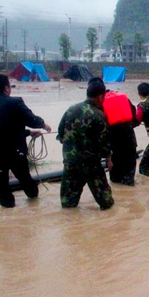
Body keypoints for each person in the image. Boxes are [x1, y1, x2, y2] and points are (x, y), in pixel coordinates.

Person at [0, 74, 51, 208]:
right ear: (6, 88)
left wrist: (28, 133)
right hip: (14, 152)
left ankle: (7, 216)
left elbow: (3, 129)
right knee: (27, 182)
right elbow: (31, 119)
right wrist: (44, 125)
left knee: (2, 190)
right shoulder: (15, 102)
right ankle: (34, 206)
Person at [57, 80, 114, 210]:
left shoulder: (71, 110)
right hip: (91, 164)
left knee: (68, 203)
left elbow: (60, 134)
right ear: (100, 97)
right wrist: (109, 160)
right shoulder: (99, 115)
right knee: (107, 203)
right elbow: (104, 142)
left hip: (70, 163)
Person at [102, 87, 139, 186]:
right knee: (129, 177)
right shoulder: (123, 97)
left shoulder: (101, 101)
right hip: (129, 138)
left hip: (114, 141)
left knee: (115, 178)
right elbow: (135, 117)